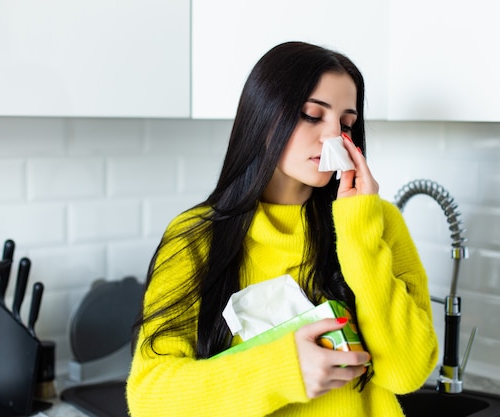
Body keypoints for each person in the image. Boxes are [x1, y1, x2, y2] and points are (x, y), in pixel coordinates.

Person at [126, 41, 438, 417]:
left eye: (347, 124)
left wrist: (358, 231)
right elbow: (149, 396)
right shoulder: (195, 237)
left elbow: (407, 371)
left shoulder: (375, 220)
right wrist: (283, 369)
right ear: (263, 115)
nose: (333, 136)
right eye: (311, 114)